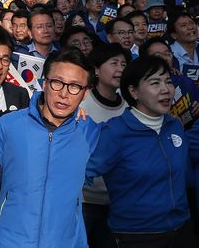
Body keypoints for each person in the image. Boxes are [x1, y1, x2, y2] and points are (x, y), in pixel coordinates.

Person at [0, 47, 98, 247]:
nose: (64, 94)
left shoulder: (90, 132)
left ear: (85, 93)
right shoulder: (9, 125)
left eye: (74, 87)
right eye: (57, 83)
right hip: (9, 242)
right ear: (44, 83)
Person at [86, 56, 197, 247]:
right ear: (133, 91)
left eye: (168, 82)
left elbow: (184, 175)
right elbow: (81, 173)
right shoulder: (115, 132)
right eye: (155, 83)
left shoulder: (174, 126)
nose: (165, 89)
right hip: (136, 236)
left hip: (182, 231)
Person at [80, 44, 131, 248]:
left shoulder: (131, 106)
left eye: (124, 64)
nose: (120, 69)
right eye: (114, 63)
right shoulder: (82, 104)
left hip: (118, 201)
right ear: (97, 70)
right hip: (84, 199)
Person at [140, 37, 199, 129]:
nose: (164, 58)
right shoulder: (142, 89)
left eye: (167, 54)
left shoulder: (185, 81)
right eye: (158, 55)